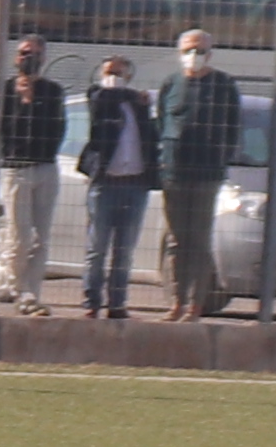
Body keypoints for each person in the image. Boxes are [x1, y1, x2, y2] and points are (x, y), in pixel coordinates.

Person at [155, 31, 240, 322]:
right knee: (176, 240)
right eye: (190, 49)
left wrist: (220, 159)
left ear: (210, 53)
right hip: (174, 173)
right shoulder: (171, 84)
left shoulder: (223, 85)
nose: (195, 54)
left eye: (201, 49)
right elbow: (161, 123)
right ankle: (175, 302)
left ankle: (195, 305)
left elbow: (232, 127)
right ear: (180, 52)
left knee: (199, 240)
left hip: (207, 175)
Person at [70, 51, 158, 320]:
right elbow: (99, 103)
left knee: (124, 249)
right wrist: (131, 94)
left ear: (129, 76)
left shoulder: (139, 106)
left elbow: (151, 134)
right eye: (109, 72)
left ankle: (117, 303)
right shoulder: (100, 96)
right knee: (97, 247)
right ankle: (91, 301)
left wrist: (138, 100)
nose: (113, 78)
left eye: (118, 73)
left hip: (135, 184)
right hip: (105, 184)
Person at [0, 34, 69, 308]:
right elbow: (7, 132)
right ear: (16, 57)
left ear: (43, 58)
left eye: (34, 54)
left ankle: (29, 293)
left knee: (40, 237)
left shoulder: (53, 91)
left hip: (45, 168)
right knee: (19, 235)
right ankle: (11, 282)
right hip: (15, 169)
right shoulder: (5, 91)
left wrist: (34, 100)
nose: (28, 59)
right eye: (23, 53)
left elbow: (54, 131)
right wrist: (24, 102)